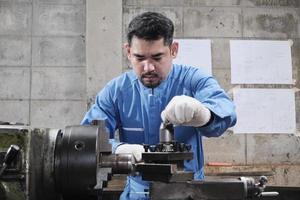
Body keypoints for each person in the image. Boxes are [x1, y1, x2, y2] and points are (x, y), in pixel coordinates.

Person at [81, 11, 236, 200]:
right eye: (139, 58)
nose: (148, 68)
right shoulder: (116, 91)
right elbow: (87, 138)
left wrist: (203, 115)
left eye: (157, 57)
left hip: (188, 192)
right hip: (138, 193)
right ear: (128, 52)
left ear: (173, 50)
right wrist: (119, 149)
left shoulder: (195, 80)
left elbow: (226, 113)